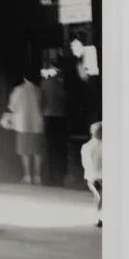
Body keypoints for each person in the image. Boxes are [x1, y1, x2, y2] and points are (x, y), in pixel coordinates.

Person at [5, 68, 45, 184]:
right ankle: (38, 176)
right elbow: (43, 106)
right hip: (37, 125)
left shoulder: (18, 90)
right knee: (37, 152)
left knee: (25, 152)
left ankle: (27, 176)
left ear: (24, 78)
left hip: (22, 125)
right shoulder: (38, 90)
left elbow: (12, 107)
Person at [40, 55, 70, 186]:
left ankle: (48, 178)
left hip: (48, 116)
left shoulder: (45, 83)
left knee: (48, 147)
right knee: (59, 147)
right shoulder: (62, 84)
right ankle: (60, 177)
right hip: (61, 117)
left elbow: (41, 101)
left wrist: (42, 112)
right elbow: (66, 101)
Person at [81, 120, 104, 225]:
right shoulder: (107, 146)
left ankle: (99, 217)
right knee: (101, 197)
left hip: (92, 177)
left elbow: (85, 164)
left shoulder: (86, 146)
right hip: (101, 177)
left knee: (99, 197)